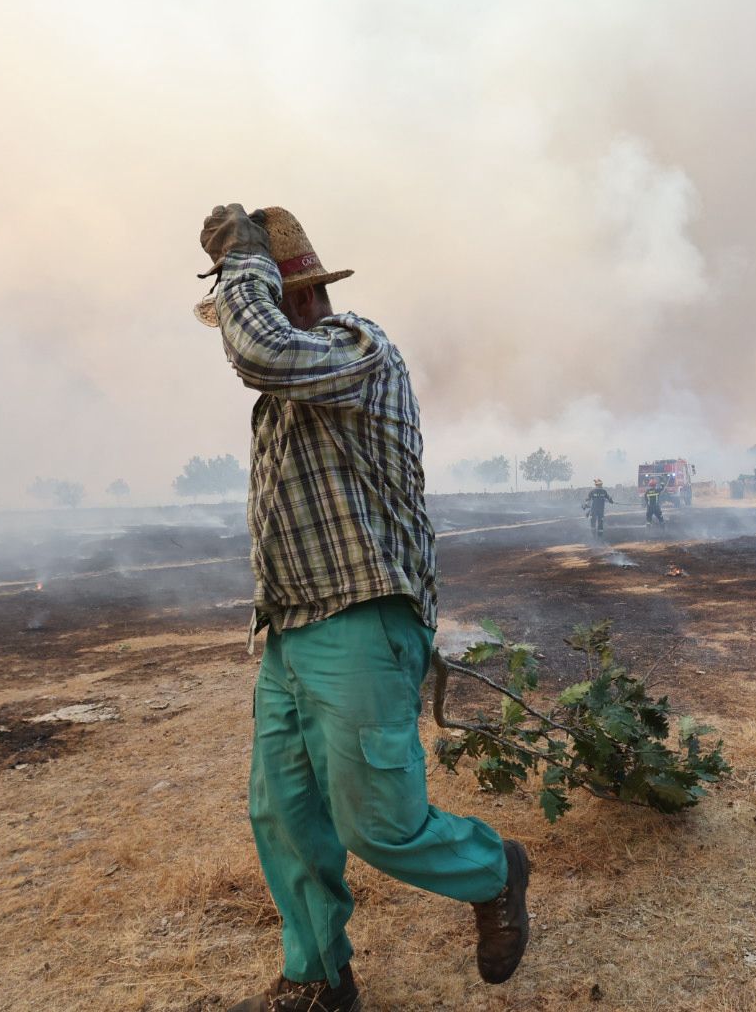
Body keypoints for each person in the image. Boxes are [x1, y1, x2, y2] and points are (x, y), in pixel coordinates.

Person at [194, 204, 531, 1012]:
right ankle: (317, 978)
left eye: (263, 297)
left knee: (377, 823)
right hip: (292, 629)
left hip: (361, 618)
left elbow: (259, 347)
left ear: (300, 298)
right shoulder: (286, 389)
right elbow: (260, 355)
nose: (242, 323)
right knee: (285, 816)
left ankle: (495, 869)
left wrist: (243, 262)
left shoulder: (358, 351)